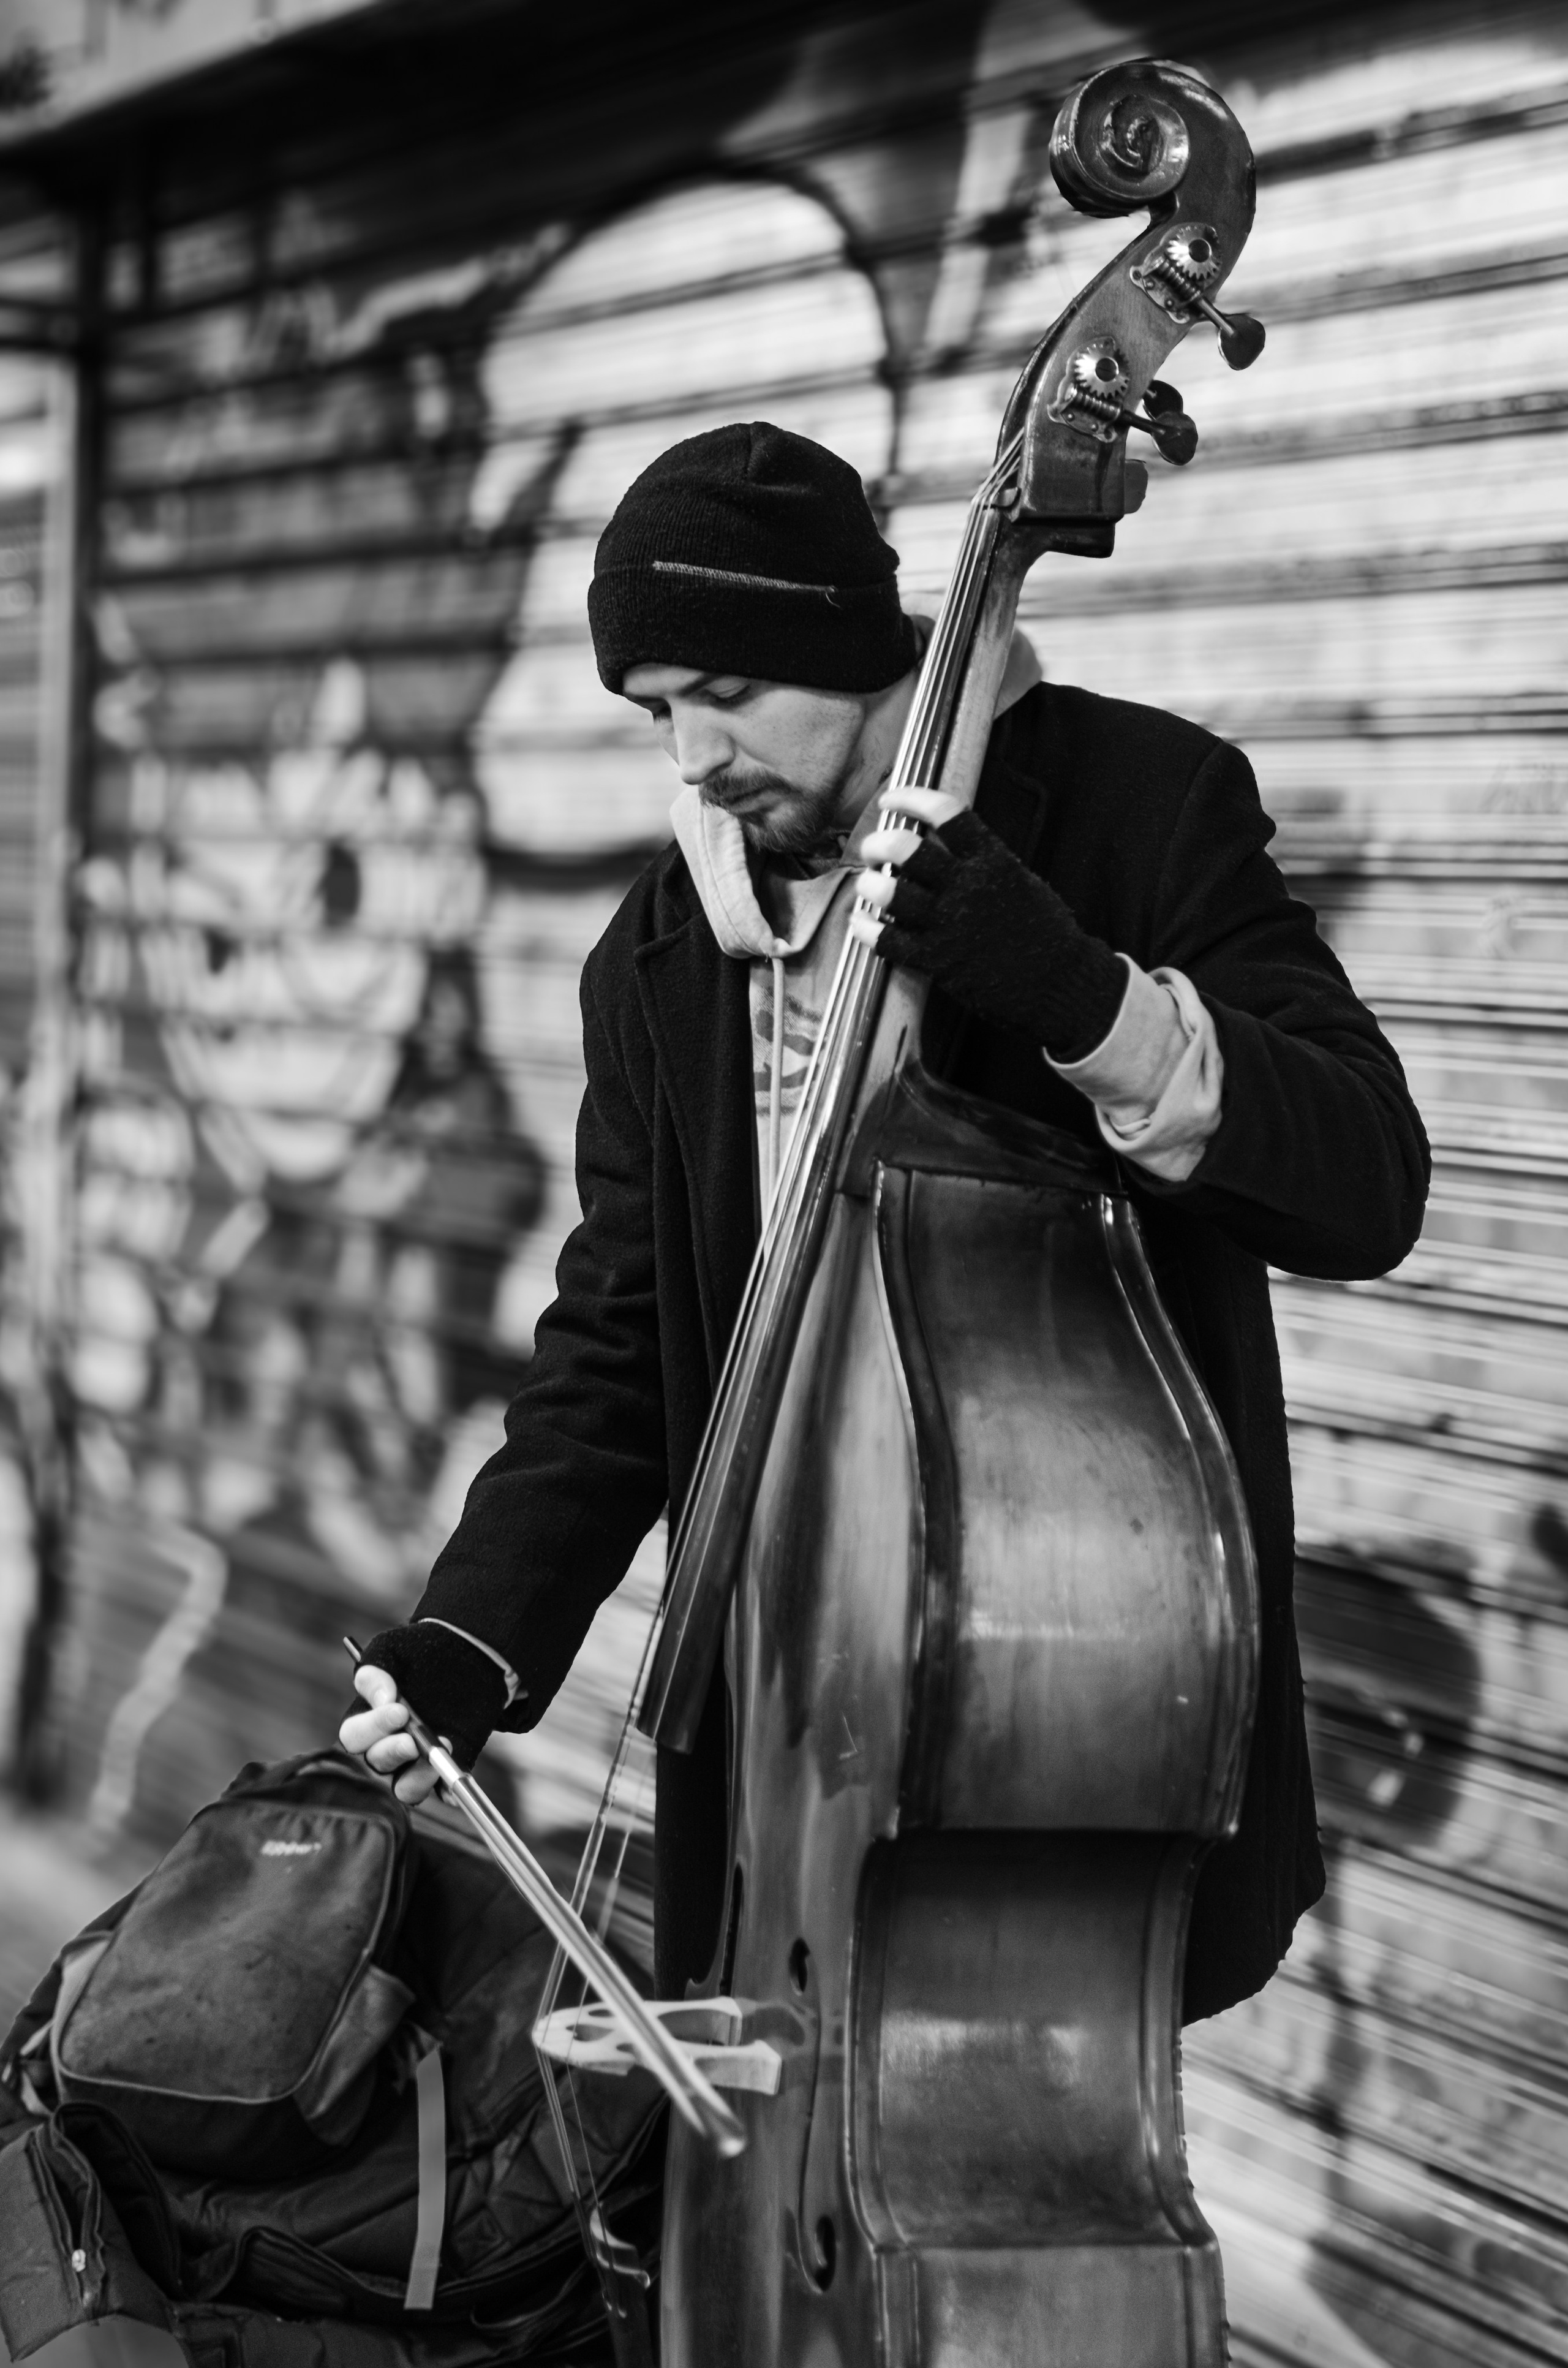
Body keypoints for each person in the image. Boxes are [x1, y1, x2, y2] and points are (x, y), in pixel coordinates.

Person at [342, 420, 1428, 2022]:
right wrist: (472, 1639)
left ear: (855, 651)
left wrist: (1083, 995)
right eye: (656, 710)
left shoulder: (1138, 805)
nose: (692, 759)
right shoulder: (656, 952)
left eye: (728, 692)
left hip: (1054, 1717)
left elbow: (1367, 1179)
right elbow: (620, 1345)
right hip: (784, 1698)